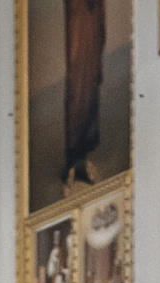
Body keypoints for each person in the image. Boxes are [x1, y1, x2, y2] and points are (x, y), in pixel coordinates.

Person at [64, 0, 106, 190]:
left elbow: (100, 21)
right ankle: (73, 161)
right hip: (79, 41)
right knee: (77, 97)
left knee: (91, 93)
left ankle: (83, 158)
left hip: (92, 39)